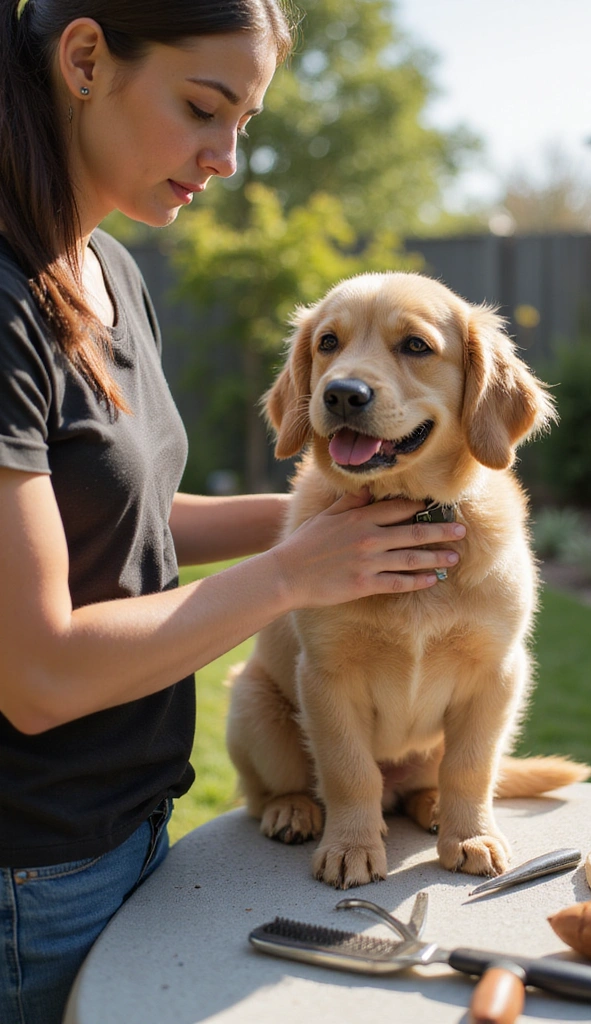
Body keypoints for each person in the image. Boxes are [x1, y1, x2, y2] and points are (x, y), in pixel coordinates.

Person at [0, 1, 466, 1021]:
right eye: (205, 107)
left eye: (243, 122)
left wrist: (340, 516)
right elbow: (36, 675)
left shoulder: (105, 267)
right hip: (28, 870)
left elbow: (116, 512)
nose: (226, 157)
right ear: (84, 58)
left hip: (132, 823)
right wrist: (299, 570)